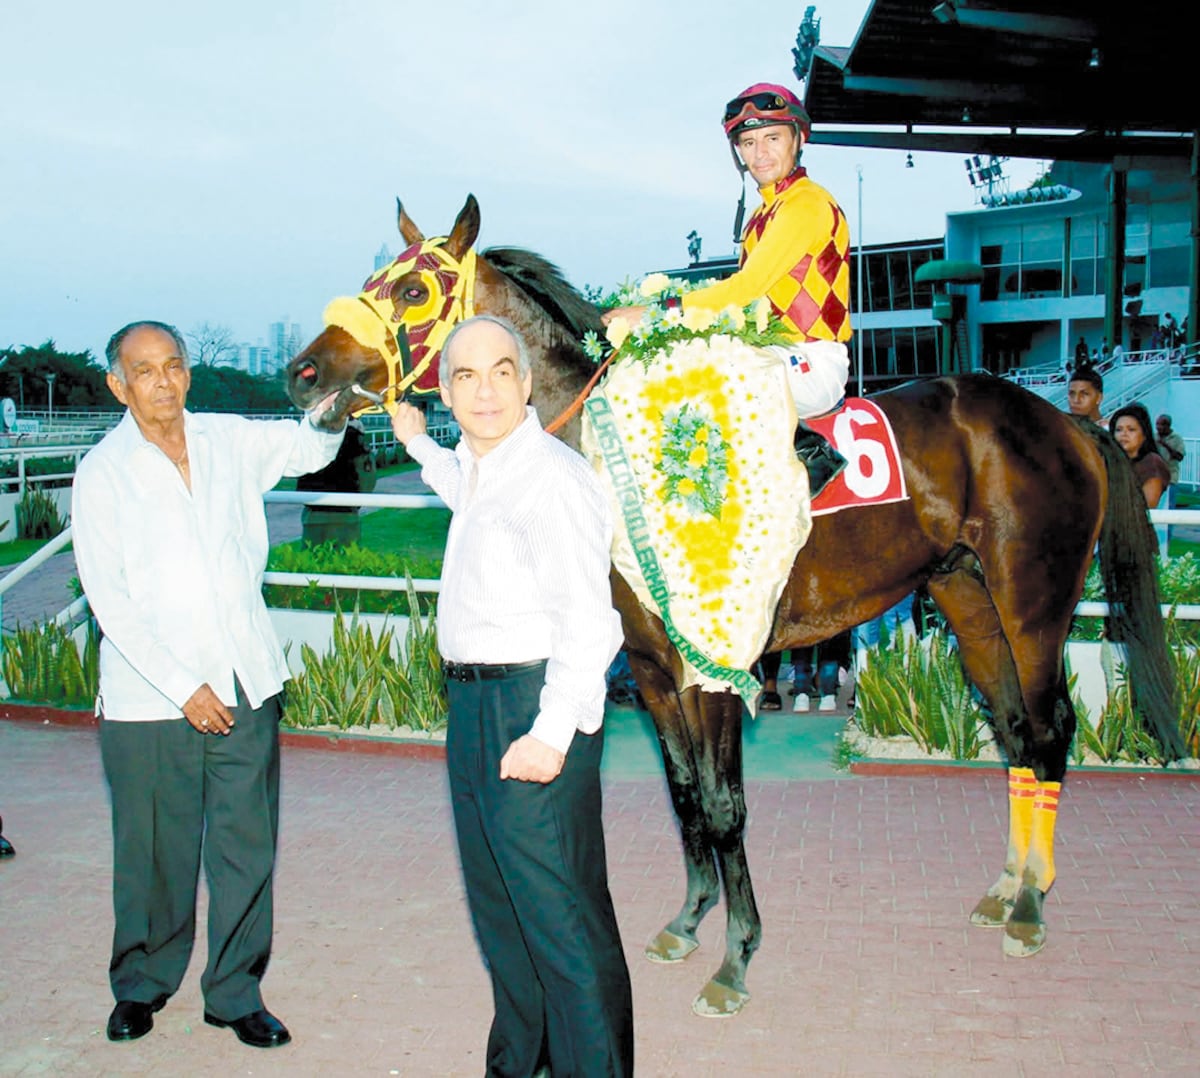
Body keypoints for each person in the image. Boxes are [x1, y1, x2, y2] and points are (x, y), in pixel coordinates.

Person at [72, 320, 345, 1048]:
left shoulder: (227, 439)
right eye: (145, 371)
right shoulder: (103, 471)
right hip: (149, 700)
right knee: (153, 853)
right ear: (118, 385)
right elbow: (109, 598)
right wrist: (180, 686)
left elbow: (308, 446)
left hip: (246, 679)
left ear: (188, 374)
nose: (163, 382)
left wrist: (339, 402)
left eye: (173, 366)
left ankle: (233, 992)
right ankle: (142, 985)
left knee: (245, 848)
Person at [390, 315, 634, 1077]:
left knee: (562, 926)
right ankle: (519, 1064)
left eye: (502, 371)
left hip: (530, 709)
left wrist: (550, 734)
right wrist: (417, 443)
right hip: (471, 711)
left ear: (528, 384)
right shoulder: (480, 469)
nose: (485, 389)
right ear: (446, 391)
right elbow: (455, 481)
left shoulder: (552, 481)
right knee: (503, 916)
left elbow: (591, 629)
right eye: (466, 376)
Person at [602, 82, 852, 496]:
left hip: (811, 360)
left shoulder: (806, 204)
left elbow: (746, 288)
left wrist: (659, 310)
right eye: (749, 143)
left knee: (709, 371)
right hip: (773, 354)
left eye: (773, 138)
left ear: (799, 139)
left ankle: (812, 456)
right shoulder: (762, 213)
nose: (761, 154)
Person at [1155, 413, 1186, 509]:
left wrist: (1165, 445)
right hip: (1156, 477)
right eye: (1157, 424)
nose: (1158, 427)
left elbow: (1179, 457)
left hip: (1171, 477)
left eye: (1161, 425)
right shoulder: (1154, 437)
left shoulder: (1177, 438)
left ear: (1167, 426)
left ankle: (1170, 524)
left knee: (1169, 506)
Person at [1066, 363, 1106, 427]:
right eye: (1072, 394)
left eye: (1084, 394)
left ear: (1099, 398)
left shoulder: (1114, 433)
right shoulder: (1062, 433)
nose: (1076, 400)